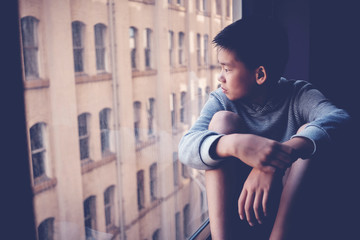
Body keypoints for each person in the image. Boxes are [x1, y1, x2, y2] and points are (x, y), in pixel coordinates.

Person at [178, 15, 350, 240]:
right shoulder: (222, 100)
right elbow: (186, 149)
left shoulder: (298, 95)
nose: (220, 77)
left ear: (260, 74)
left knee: (309, 132)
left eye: (227, 69)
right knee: (222, 122)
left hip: (286, 207)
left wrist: (275, 160)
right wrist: (234, 144)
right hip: (238, 206)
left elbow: (341, 119)